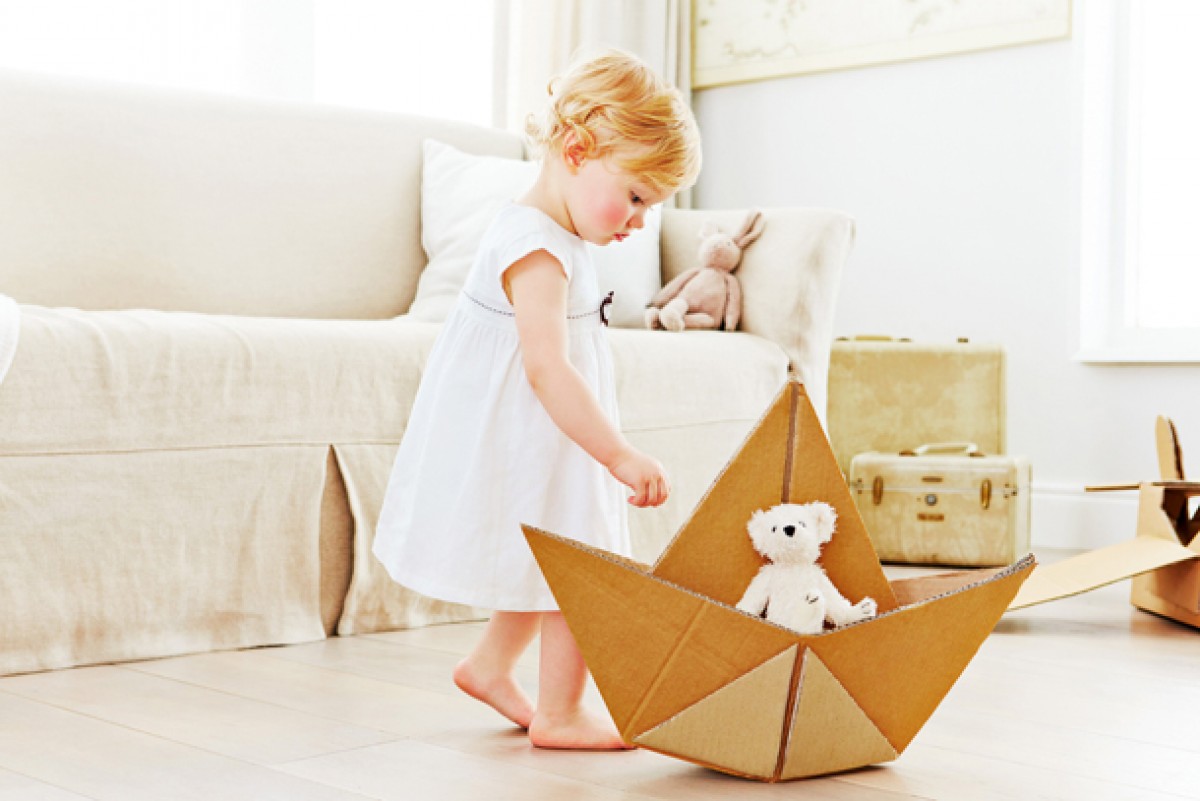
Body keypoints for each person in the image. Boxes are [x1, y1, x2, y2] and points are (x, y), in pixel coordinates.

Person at [373, 48, 702, 750]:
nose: (639, 221)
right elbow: (547, 369)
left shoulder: (558, 233)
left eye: (651, 206)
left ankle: (490, 667)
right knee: (581, 563)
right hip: (536, 426)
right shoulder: (536, 248)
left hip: (548, 429)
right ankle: (560, 712)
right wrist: (618, 454)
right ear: (577, 150)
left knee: (554, 554)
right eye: (636, 197)